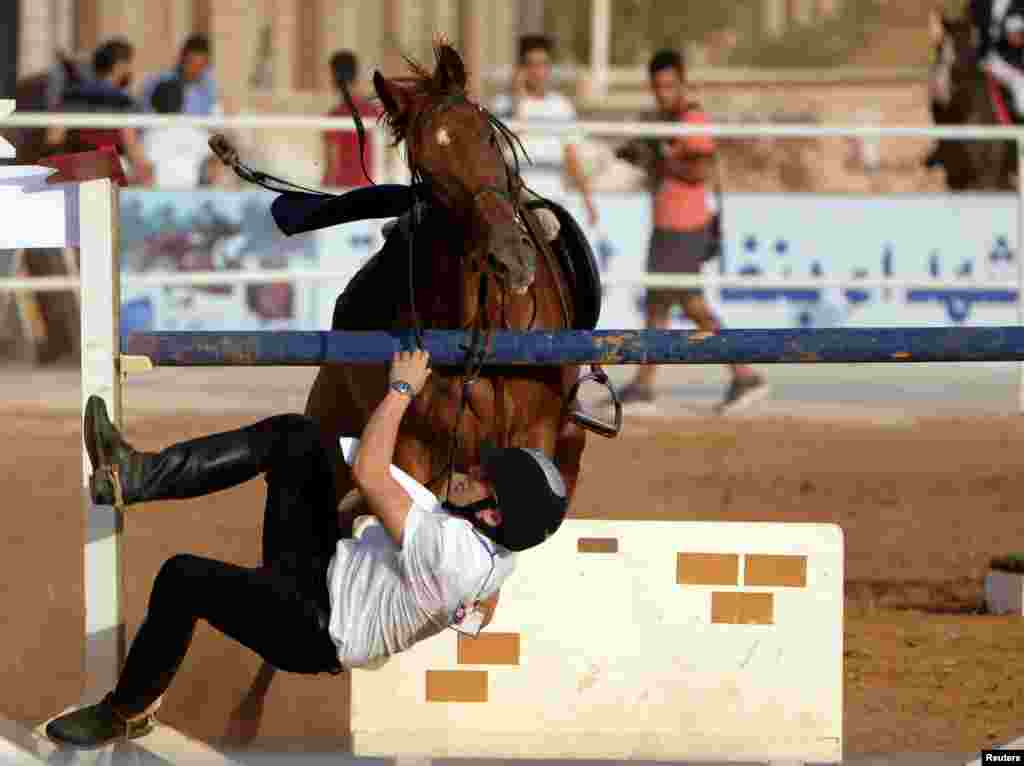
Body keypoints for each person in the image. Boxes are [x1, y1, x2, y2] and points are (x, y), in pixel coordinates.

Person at [45, 350, 570, 749]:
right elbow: (370, 469)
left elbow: (369, 471)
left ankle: (123, 711)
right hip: (321, 571)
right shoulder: (488, 542)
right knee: (297, 438)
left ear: (493, 515)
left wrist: (404, 388)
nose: (473, 471)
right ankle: (136, 476)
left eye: (485, 479)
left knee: (182, 578)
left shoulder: (454, 551)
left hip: (310, 629)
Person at [614, 49, 768, 413]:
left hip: (686, 224)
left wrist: (664, 156)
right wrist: (639, 154)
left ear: (682, 83)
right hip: (665, 222)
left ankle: (744, 374)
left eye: (669, 85)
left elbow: (700, 169)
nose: (663, 92)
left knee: (690, 304)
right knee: (658, 304)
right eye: (657, 86)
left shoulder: (691, 119)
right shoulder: (661, 121)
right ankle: (644, 385)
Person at [491, 35, 599, 226]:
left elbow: (571, 155)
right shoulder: (502, 105)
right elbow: (498, 148)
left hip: (554, 203)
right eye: (531, 65)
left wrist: (588, 200)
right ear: (521, 69)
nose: (537, 72)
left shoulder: (561, 106)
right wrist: (517, 101)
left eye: (542, 64)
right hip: (516, 206)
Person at [44, 38, 153, 186]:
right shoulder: (123, 103)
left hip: (73, 173)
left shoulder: (70, 97)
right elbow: (132, 148)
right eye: (129, 65)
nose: (130, 70)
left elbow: (53, 139)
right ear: (119, 66)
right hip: (109, 176)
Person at [323, 50, 380, 189]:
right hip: (371, 189)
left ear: (334, 77)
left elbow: (331, 163)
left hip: (343, 192)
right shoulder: (373, 111)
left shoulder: (335, 115)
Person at [142, 78, 213, 189]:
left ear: (153, 103)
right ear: (183, 102)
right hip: (190, 195)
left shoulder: (147, 135)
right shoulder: (197, 131)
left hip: (160, 196)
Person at [142, 34, 221, 116]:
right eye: (191, 64)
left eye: (200, 66)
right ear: (182, 59)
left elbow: (215, 117)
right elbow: (144, 111)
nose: (195, 71)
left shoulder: (209, 88)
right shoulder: (158, 82)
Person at [971, 0, 1024, 121]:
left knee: (1019, 84)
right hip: (984, 57)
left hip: (1012, 60)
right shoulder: (979, 3)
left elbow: (1017, 39)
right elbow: (976, 29)